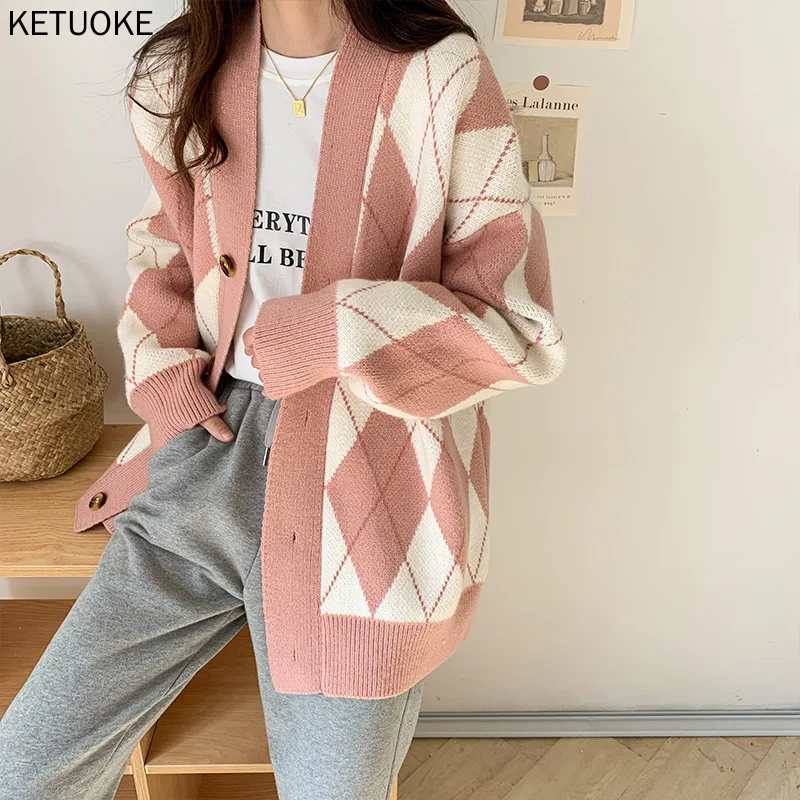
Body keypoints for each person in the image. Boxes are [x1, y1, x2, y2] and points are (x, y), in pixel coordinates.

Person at [0, 0, 567, 797]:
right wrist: (167, 383)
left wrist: (333, 329)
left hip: (373, 486)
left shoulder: (441, 74)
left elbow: (516, 329)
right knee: (24, 768)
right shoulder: (177, 74)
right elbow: (165, 249)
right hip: (207, 453)